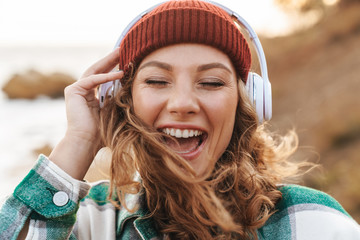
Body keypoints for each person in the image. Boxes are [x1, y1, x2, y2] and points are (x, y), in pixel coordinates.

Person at [1, 0, 360, 239]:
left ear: (248, 102)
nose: (183, 103)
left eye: (211, 82)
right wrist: (78, 143)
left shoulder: (312, 223)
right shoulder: (89, 222)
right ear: (121, 101)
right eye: (157, 81)